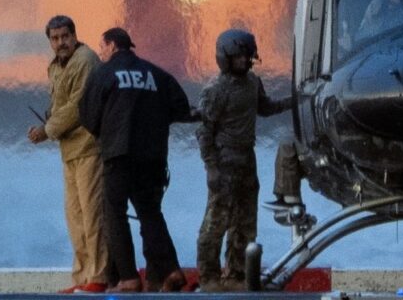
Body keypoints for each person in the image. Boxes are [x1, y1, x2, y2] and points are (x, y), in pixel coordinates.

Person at [79, 27, 195, 293]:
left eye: (102, 47)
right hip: (153, 158)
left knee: (114, 214)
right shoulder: (156, 74)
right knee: (150, 213)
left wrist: (104, 132)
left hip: (119, 156)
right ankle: (172, 270)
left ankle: (129, 277)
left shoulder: (104, 74)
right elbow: (180, 107)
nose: (101, 52)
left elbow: (87, 114)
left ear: (110, 45)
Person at [196, 29, 291, 292]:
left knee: (245, 223)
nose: (245, 61)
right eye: (240, 56)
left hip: (247, 159)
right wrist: (211, 168)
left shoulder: (252, 82)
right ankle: (209, 277)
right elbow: (204, 131)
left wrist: (293, 100)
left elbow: (265, 107)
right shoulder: (215, 90)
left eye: (247, 56)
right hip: (224, 160)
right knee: (216, 222)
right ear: (226, 57)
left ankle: (237, 275)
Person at [27, 15, 108, 294]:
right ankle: (82, 279)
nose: (61, 43)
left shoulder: (85, 60)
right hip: (70, 152)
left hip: (89, 149)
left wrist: (46, 129)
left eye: (65, 36)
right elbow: (60, 103)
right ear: (49, 41)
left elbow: (77, 106)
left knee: (93, 216)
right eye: (55, 38)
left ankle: (98, 276)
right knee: (75, 218)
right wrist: (49, 120)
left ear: (74, 35)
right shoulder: (56, 67)